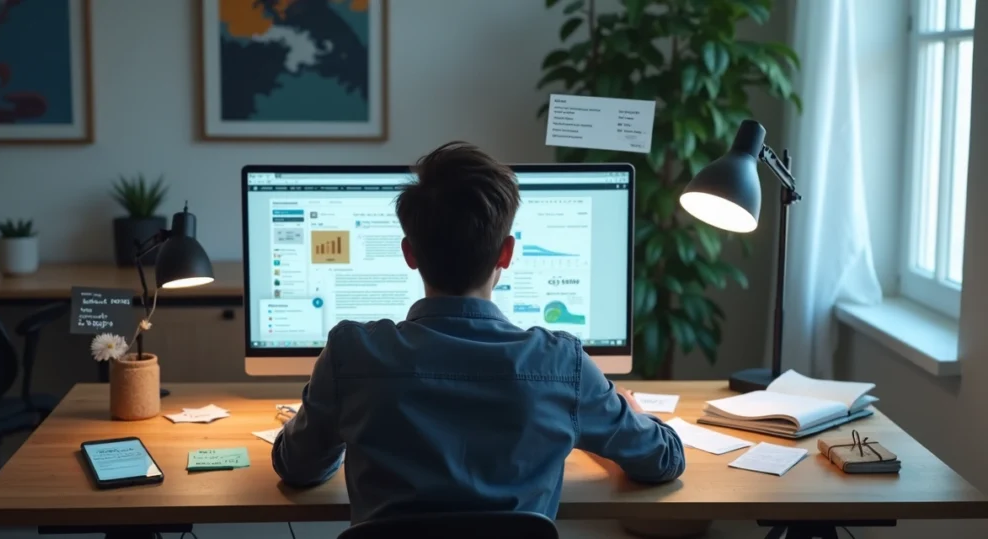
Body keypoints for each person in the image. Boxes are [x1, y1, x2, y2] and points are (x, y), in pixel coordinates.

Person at [271, 142, 686, 524]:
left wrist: (346, 420)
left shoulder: (351, 355)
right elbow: (663, 460)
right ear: (506, 252)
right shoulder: (562, 365)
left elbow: (297, 469)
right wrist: (630, 414)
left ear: (409, 253)